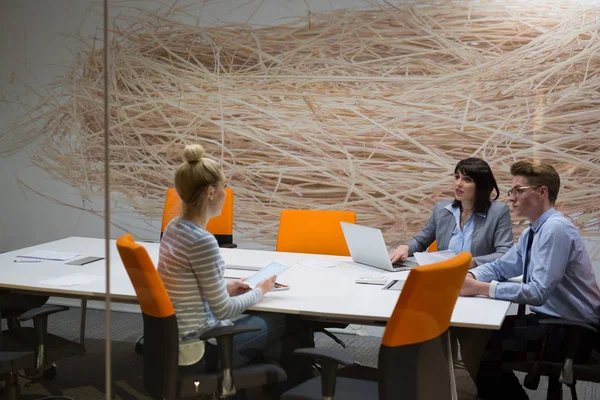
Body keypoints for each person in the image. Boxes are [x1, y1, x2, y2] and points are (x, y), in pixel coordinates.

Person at [157, 144, 314, 391]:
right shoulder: (203, 241)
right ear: (211, 192)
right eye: (224, 187)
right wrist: (260, 291)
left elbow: (186, 285)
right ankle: (293, 388)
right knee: (290, 322)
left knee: (278, 338)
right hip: (202, 349)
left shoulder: (175, 227)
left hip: (174, 343)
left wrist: (227, 287)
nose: (226, 193)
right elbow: (223, 310)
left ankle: (272, 380)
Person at [460, 160, 600, 400]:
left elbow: (537, 292)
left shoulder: (556, 230)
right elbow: (503, 266)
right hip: (553, 321)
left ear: (542, 192)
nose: (511, 197)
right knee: (480, 337)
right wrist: (472, 275)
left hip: (573, 332)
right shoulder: (534, 231)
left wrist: (481, 288)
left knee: (483, 350)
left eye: (518, 191)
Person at [390, 157, 514, 268]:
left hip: (477, 277)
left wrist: (473, 262)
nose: (458, 184)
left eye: (467, 179)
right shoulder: (442, 209)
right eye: (456, 177)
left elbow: (504, 254)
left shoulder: (498, 212)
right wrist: (405, 247)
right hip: (444, 275)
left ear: (481, 185)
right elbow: (421, 240)